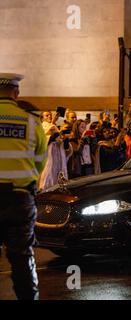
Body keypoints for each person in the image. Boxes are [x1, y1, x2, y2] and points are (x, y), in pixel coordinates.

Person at [0, 73, 47, 300]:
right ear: (16, 93)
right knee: (21, 259)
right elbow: (40, 162)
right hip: (19, 200)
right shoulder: (30, 122)